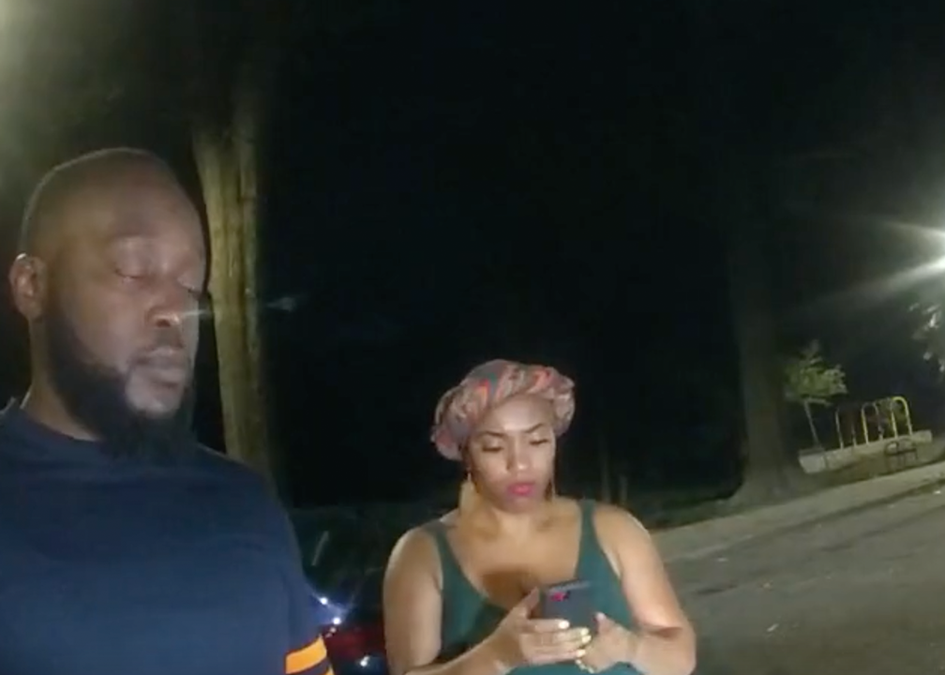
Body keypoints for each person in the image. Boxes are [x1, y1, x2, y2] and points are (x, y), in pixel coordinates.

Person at [0, 148, 331, 675]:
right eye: (134, 271)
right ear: (32, 286)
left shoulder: (245, 505)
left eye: (192, 286)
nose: (174, 312)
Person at [383, 359, 696, 675]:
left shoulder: (614, 529)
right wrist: (497, 656)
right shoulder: (422, 553)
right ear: (467, 455)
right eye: (493, 447)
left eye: (536, 441)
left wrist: (629, 647)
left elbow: (680, 658)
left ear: (555, 444)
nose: (519, 464)